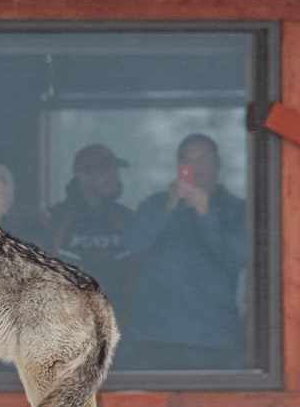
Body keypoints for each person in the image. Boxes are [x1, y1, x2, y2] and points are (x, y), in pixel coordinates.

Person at [123, 134, 247, 370]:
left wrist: (206, 214)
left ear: (217, 164)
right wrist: (167, 207)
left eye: (202, 159)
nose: (194, 166)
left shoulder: (235, 209)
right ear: (179, 166)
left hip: (211, 337)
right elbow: (132, 243)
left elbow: (238, 258)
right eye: (186, 159)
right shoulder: (156, 203)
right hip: (152, 336)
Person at [42, 144, 134, 316]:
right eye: (105, 170)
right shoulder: (55, 218)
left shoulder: (126, 217)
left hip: (119, 324)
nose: (115, 176)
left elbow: (136, 272)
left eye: (116, 169)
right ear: (81, 176)